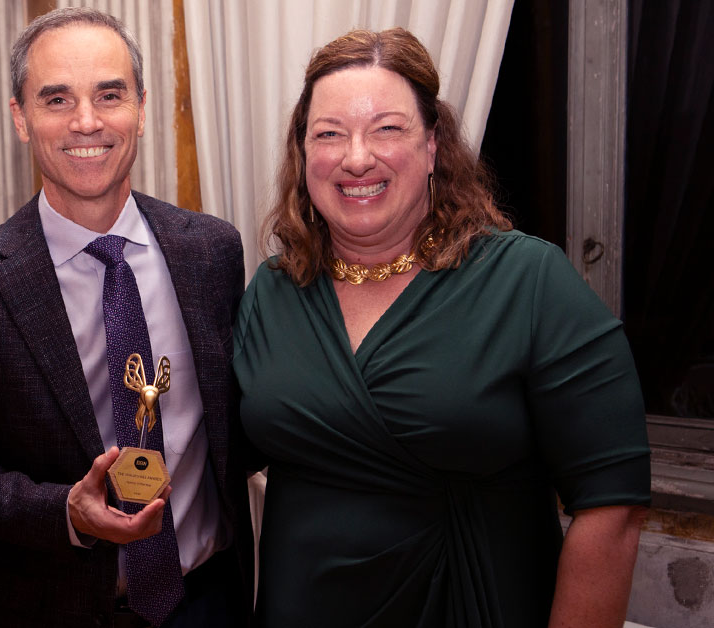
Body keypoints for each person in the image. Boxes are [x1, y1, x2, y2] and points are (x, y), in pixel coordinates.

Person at [233, 28, 651, 628]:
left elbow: (613, 508)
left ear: (432, 145)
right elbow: (218, 446)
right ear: (303, 155)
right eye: (329, 133)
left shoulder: (529, 282)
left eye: (387, 128)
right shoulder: (274, 290)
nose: (356, 157)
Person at [0, 8, 253, 628]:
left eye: (110, 95)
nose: (86, 121)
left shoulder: (211, 251)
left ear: (143, 109)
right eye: (56, 99)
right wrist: (66, 513)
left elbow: (242, 422)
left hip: (207, 601)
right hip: (47, 609)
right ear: (19, 117)